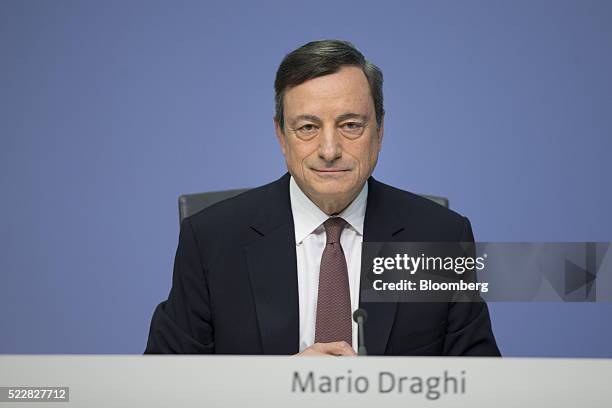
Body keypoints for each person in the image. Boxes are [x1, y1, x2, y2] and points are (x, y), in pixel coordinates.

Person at [145, 39, 500, 357]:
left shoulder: (439, 238)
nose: (329, 150)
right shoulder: (211, 240)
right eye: (308, 127)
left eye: (350, 125)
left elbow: (481, 386)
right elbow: (163, 386)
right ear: (282, 136)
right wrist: (279, 389)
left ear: (379, 132)